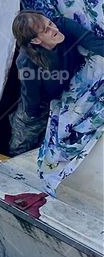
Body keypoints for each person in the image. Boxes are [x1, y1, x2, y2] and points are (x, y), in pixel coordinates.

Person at [8, 10, 104, 156]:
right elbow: (31, 94)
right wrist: (34, 113)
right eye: (47, 30)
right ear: (35, 40)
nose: (55, 29)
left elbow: (94, 43)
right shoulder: (26, 60)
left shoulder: (64, 25)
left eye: (50, 23)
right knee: (21, 140)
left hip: (63, 93)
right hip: (39, 104)